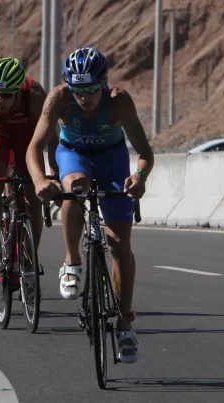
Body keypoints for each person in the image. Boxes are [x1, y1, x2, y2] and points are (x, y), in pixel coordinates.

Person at [25, 46, 154, 364]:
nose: (84, 97)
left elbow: (144, 152)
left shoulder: (119, 100)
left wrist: (139, 177)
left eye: (92, 89)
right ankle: (72, 263)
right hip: (73, 155)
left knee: (119, 244)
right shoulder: (58, 98)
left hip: (112, 160)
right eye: (78, 90)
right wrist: (41, 181)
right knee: (75, 186)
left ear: (104, 83)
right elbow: (34, 147)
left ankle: (124, 324)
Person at [0, 57, 58, 282]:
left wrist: (54, 174)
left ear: (18, 90)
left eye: (7, 95)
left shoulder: (36, 95)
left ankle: (29, 257)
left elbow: (52, 140)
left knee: (33, 199)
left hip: (27, 136)